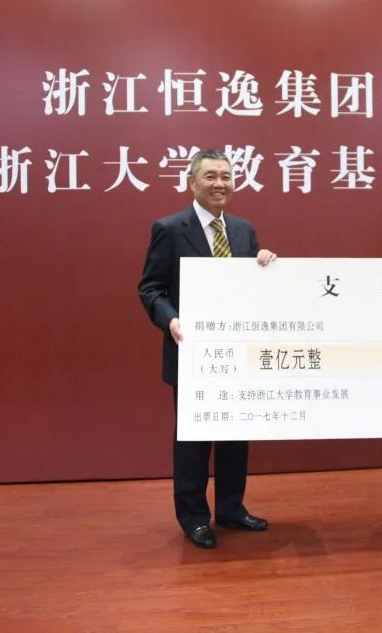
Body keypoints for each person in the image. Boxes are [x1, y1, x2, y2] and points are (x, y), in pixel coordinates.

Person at [138, 149, 277, 549]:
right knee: (193, 441)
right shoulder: (169, 228)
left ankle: (231, 508)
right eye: (211, 176)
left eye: (226, 176)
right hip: (192, 352)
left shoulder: (244, 231)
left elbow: (252, 290)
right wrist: (171, 320)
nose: (220, 184)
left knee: (236, 434)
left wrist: (266, 264)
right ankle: (194, 518)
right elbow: (150, 288)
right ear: (192, 182)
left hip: (237, 353)